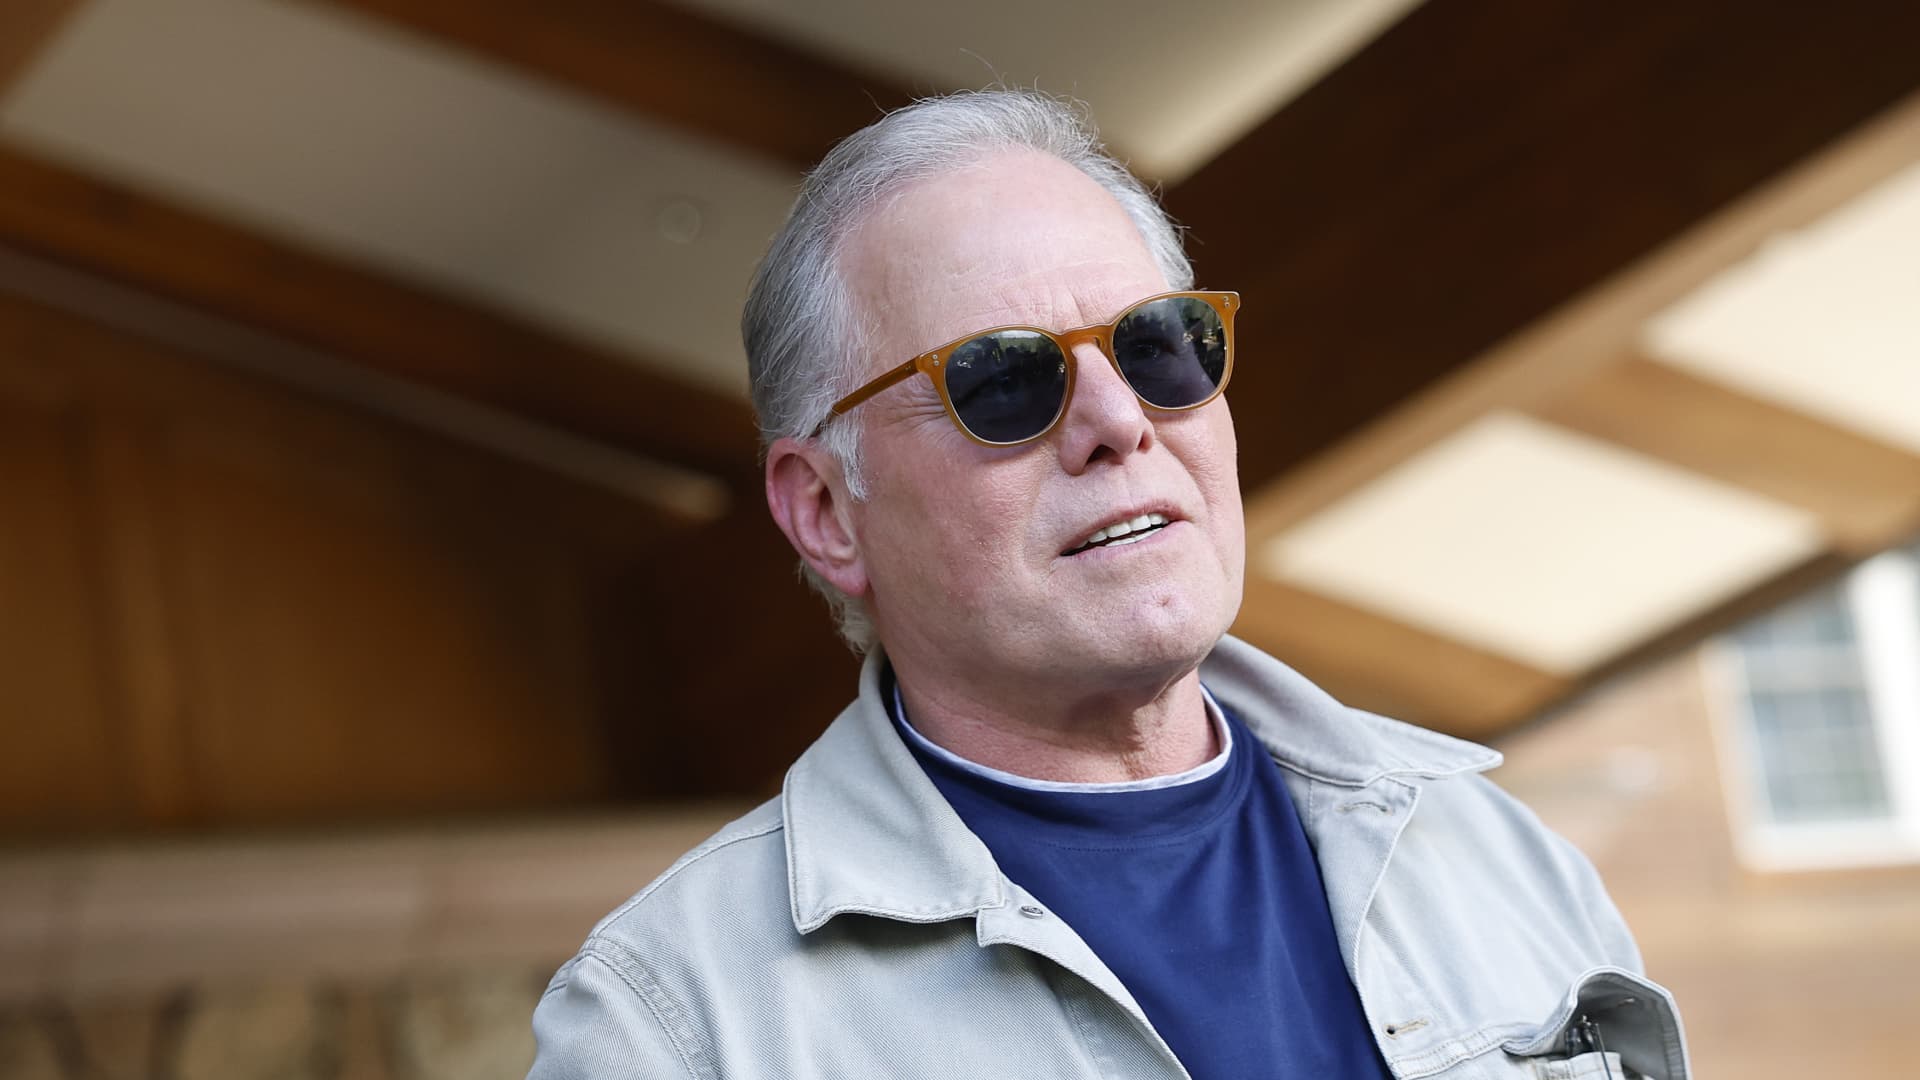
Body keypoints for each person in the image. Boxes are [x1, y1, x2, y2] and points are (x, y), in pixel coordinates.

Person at [528, 90, 1689, 1080]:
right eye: (1003, 381)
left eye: (1155, 345)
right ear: (828, 511)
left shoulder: (1490, 851)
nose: (1120, 421)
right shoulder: (675, 1026)